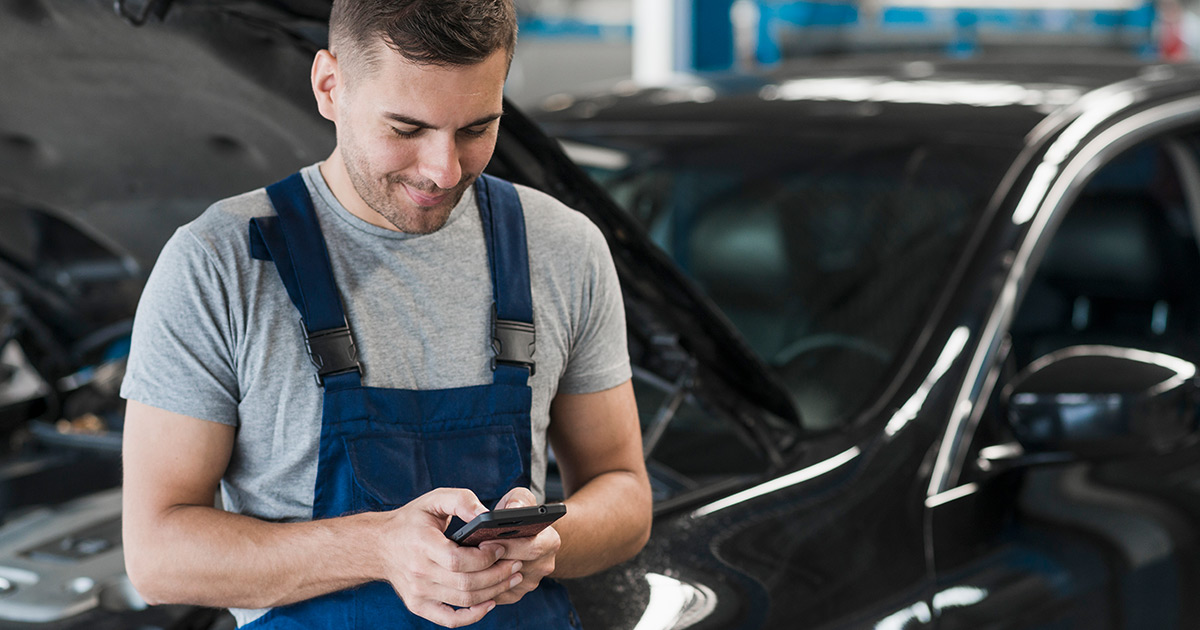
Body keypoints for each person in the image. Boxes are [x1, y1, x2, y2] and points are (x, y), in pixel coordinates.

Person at [119, 1, 652, 627]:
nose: (443, 170)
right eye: (406, 130)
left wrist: (547, 547)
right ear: (329, 86)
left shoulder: (562, 248)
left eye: (477, 129)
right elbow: (157, 557)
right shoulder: (217, 264)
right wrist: (378, 547)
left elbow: (625, 493)